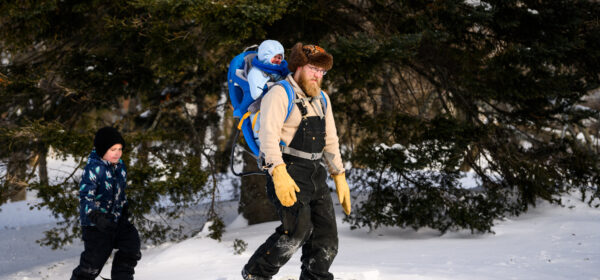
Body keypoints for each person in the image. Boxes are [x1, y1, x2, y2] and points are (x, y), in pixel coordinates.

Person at [242, 42, 351, 280]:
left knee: (327, 236)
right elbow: (268, 140)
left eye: (322, 71)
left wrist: (339, 175)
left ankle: (315, 277)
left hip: (315, 173)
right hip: (287, 171)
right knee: (297, 231)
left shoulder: (322, 98)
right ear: (299, 66)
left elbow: (330, 140)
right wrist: (278, 173)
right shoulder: (280, 94)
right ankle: (256, 274)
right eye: (313, 69)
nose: (318, 76)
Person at [71, 126, 141, 280]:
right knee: (93, 263)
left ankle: (122, 277)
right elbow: (86, 197)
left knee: (131, 243)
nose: (117, 153)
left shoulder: (120, 166)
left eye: (120, 148)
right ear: (102, 150)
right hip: (96, 224)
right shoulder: (94, 169)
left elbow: (120, 192)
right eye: (112, 149)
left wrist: (124, 208)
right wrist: (95, 216)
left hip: (116, 219)